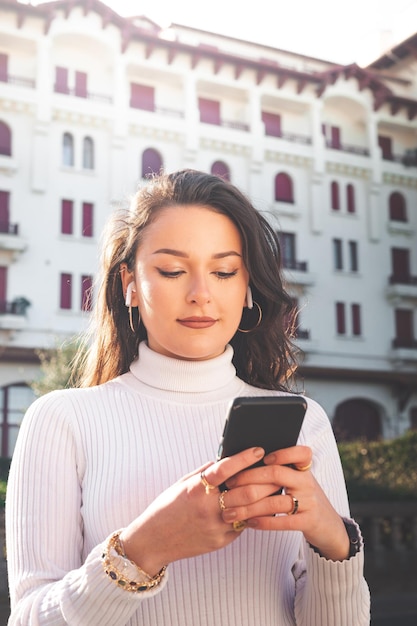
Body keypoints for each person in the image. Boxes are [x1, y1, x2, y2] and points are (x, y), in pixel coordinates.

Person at [6, 169, 370, 625]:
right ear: (129, 285)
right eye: (173, 270)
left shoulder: (305, 423)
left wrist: (332, 542)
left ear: (246, 289)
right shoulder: (62, 419)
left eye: (223, 271)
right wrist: (143, 548)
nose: (201, 294)